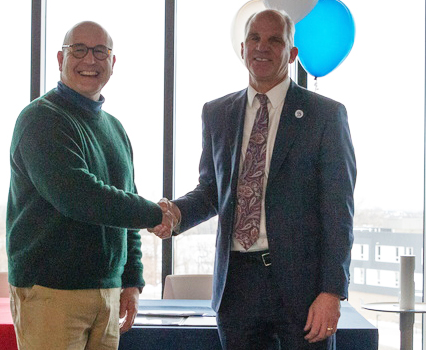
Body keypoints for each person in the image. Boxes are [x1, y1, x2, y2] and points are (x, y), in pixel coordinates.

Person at [150, 9, 356, 350]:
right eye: (255, 39)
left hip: (302, 290)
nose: (263, 47)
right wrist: (176, 213)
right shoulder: (216, 113)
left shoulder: (325, 115)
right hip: (237, 288)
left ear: (291, 54)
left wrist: (332, 290)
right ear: (243, 49)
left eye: (275, 40)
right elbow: (212, 191)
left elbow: (338, 211)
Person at [6, 21, 175, 350]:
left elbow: (125, 207)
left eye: (101, 51)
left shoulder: (116, 129)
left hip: (107, 294)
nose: (90, 60)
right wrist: (154, 213)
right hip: (51, 293)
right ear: (60, 58)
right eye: (78, 50)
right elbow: (79, 196)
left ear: (112, 63)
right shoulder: (41, 119)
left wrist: (131, 282)